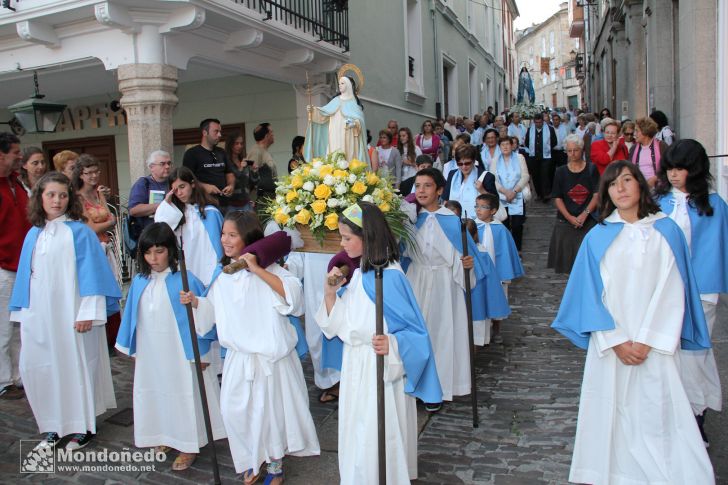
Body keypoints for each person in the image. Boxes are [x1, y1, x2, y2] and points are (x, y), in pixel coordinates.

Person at [551, 160, 714, 485]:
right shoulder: (597, 237)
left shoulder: (666, 230)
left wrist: (647, 340)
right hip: (611, 343)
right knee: (611, 411)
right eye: (613, 184)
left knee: (659, 412)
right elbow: (589, 294)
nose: (621, 188)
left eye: (627, 180)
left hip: (655, 343)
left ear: (641, 184)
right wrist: (616, 340)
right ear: (606, 192)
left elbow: (673, 287)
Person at [181, 211, 320, 485]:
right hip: (239, 358)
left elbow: (293, 299)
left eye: (232, 235)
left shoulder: (272, 272)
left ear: (249, 239)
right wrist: (197, 303)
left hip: (270, 360)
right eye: (223, 234)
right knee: (235, 412)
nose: (225, 240)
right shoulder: (224, 276)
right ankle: (252, 457)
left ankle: (274, 464)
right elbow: (215, 311)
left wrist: (256, 268)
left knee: (270, 415)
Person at [316, 202, 442, 484]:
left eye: (347, 237)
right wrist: (329, 294)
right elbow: (341, 325)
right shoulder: (361, 272)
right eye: (341, 236)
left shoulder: (390, 276)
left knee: (376, 434)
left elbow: (415, 333)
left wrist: (394, 345)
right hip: (357, 365)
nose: (342, 243)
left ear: (368, 235)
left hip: (381, 369)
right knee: (357, 432)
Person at [10, 172, 121, 450]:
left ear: (70, 198)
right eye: (51, 194)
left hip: (73, 313)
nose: (57, 200)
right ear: (40, 198)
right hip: (39, 315)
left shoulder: (80, 231)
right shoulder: (33, 234)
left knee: (76, 367)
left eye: (62, 195)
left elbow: (94, 274)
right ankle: (53, 426)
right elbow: (27, 277)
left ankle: (83, 426)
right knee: (40, 368)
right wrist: (24, 314)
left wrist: (88, 311)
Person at [115, 222, 226, 471]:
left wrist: (202, 352)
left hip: (181, 355)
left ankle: (188, 443)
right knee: (155, 393)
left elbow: (204, 318)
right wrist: (133, 349)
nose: (153, 259)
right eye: (147, 253)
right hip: (152, 354)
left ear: (171, 251)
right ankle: (163, 434)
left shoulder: (186, 280)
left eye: (159, 251)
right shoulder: (140, 282)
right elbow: (132, 317)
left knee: (184, 395)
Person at [404, 168, 507, 406]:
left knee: (440, 335)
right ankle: (413, 385)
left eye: (427, 186)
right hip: (416, 280)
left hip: (444, 285)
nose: (421, 190)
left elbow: (465, 258)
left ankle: (436, 390)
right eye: (418, 185)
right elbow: (403, 253)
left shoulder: (451, 221)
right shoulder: (410, 218)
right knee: (414, 336)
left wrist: (467, 265)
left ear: (440, 190)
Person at [654, 139, 728, 446]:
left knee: (695, 357)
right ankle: (670, 422)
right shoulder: (658, 203)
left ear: (694, 170)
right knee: (665, 356)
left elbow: (717, 249)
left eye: (680, 168)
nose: (673, 174)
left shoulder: (714, 205)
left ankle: (697, 421)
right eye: (669, 168)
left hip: (700, 293)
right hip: (662, 291)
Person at [154, 167, 223, 287]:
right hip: (187, 267)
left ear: (192, 184)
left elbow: (219, 244)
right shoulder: (175, 213)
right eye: (175, 190)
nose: (179, 193)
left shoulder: (210, 212)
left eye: (182, 187)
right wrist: (166, 204)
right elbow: (160, 229)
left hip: (209, 266)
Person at [0, 132, 29, 401]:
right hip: (3, 266)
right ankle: (3, 380)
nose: (21, 156)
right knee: (3, 327)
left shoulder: (16, 183)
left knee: (19, 325)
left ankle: (19, 376)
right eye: (16, 153)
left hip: (21, 266)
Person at [474, 193, 524, 344]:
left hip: (497, 272)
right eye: (477, 206)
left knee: (499, 298)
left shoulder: (501, 230)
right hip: (478, 272)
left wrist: (505, 272)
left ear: (493, 210)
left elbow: (506, 251)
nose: (478, 210)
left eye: (483, 207)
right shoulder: (472, 227)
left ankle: (496, 328)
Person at [547, 135, 599, 274]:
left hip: (588, 221)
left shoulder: (591, 169)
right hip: (566, 221)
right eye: (569, 151)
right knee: (568, 265)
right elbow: (557, 197)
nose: (572, 154)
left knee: (588, 263)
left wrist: (584, 214)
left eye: (575, 150)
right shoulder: (561, 171)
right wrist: (569, 217)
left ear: (581, 150)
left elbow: (596, 194)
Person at [305, 77, 369, 164]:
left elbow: (360, 121)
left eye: (342, 83)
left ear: (349, 85)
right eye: (339, 84)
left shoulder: (354, 103)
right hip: (334, 134)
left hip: (349, 135)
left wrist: (354, 123)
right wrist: (312, 110)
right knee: (335, 153)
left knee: (348, 156)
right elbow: (323, 114)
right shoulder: (336, 100)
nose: (340, 86)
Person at [182, 118, 235, 210]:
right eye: (216, 131)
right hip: (203, 204)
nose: (219, 135)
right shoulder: (192, 153)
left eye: (220, 132)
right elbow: (186, 179)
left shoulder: (222, 152)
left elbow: (229, 173)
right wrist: (204, 186)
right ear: (205, 133)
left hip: (224, 203)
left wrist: (231, 185)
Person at [489, 136, 530, 251]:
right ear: (499, 147)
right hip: (502, 196)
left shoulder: (519, 157)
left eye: (507, 144)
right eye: (502, 145)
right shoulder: (495, 160)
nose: (505, 147)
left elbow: (525, 176)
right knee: (504, 224)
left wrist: (515, 191)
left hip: (517, 194)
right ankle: (506, 250)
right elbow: (493, 179)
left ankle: (517, 249)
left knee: (517, 225)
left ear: (512, 146)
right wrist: (505, 191)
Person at [127, 150, 172, 236]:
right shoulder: (143, 183)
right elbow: (133, 210)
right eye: (162, 164)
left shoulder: (173, 181)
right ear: (151, 167)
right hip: (150, 234)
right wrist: (163, 205)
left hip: (172, 232)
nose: (167, 166)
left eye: (169, 163)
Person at [442, 144, 485, 218]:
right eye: (460, 164)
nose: (464, 167)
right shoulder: (452, 174)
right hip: (454, 220)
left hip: (477, 222)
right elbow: (446, 199)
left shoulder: (484, 175)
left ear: (474, 161)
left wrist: (482, 190)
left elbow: (493, 202)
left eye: (467, 163)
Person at [525, 115, 558, 202]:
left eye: (540, 122)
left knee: (545, 175)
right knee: (536, 176)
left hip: (546, 157)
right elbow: (527, 142)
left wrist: (547, 149)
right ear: (534, 122)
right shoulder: (530, 130)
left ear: (543, 122)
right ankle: (539, 194)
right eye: (536, 122)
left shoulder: (550, 129)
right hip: (533, 157)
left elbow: (554, 141)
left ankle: (546, 194)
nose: (538, 124)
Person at [629, 116, 668, 188]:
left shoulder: (661, 146)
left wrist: (655, 179)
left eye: (637, 131)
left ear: (645, 131)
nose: (634, 134)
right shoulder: (633, 149)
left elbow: (668, 166)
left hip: (658, 188)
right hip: (640, 188)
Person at [224, 131, 256, 212]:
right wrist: (241, 169)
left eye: (241, 143)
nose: (240, 146)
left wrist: (254, 171)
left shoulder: (244, 161)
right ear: (230, 145)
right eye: (236, 143)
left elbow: (253, 183)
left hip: (246, 203)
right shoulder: (226, 163)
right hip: (231, 205)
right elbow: (232, 182)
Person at [247, 123, 278, 203]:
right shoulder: (256, 152)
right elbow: (249, 176)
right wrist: (252, 200)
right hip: (261, 199)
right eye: (271, 132)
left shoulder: (263, 151)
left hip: (269, 197)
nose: (273, 135)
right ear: (266, 136)